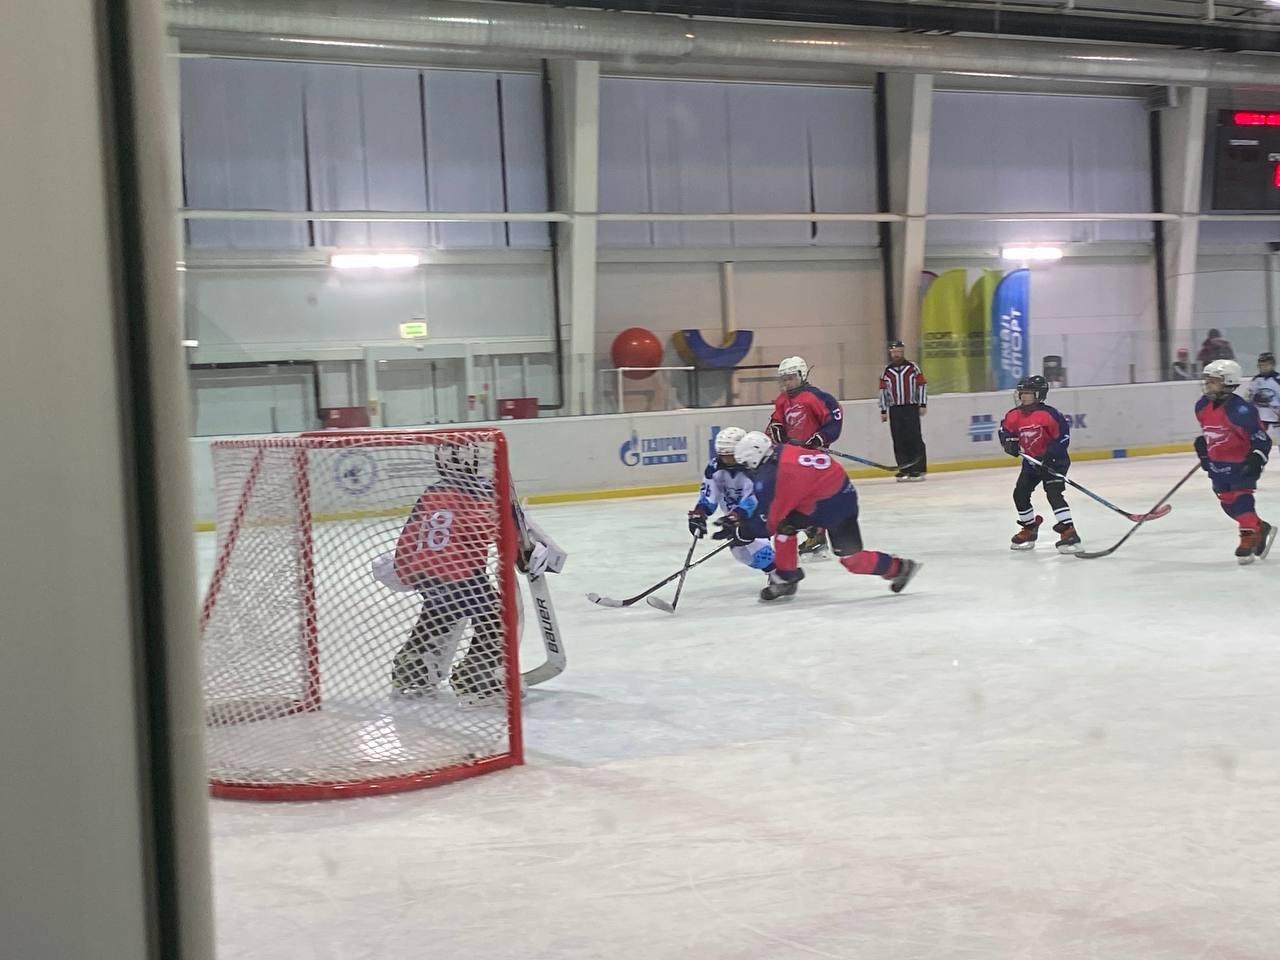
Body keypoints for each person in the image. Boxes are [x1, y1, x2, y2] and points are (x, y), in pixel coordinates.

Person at [372, 440, 566, 703]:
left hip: (425, 571)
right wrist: (524, 549)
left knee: (439, 615)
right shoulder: (483, 490)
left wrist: (404, 571)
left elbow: (412, 532)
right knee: (497, 617)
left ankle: (410, 672)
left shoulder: (431, 491)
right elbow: (491, 529)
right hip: (461, 573)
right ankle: (476, 678)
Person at [713, 431, 920, 602]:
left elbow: (767, 524)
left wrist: (742, 532)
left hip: (835, 506)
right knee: (786, 526)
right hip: (828, 493)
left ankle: (899, 568)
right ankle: (785, 578)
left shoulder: (773, 477)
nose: (748, 470)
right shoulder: (781, 450)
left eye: (748, 465)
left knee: (852, 560)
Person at [1194, 359, 1275, 564]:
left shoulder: (1241, 410)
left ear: (1228, 382)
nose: (1208, 384)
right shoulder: (1202, 406)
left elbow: (1261, 438)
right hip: (1218, 465)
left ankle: (1247, 536)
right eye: (1207, 380)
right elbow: (1210, 433)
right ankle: (1259, 527)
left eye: (1214, 380)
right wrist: (1204, 451)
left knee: (1241, 500)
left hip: (1241, 463)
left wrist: (1257, 458)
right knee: (1228, 504)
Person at [766, 355, 844, 557]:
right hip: (792, 457)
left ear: (802, 375)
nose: (787, 382)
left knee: (808, 497)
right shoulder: (783, 400)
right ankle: (813, 535)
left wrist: (821, 437)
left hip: (812, 457)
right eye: (784, 379)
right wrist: (776, 430)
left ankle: (817, 537)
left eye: (791, 377)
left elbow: (834, 417)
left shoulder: (815, 397)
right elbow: (776, 421)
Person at [997, 374, 1082, 554]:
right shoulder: (1014, 415)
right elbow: (1005, 431)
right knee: (1020, 494)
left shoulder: (1049, 415)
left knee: (1053, 493)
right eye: (1021, 393)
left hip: (1055, 462)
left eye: (1027, 393)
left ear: (1039, 395)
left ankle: (1068, 530)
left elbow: (1062, 437)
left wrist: (1050, 455)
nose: (1023, 397)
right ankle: (1029, 528)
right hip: (1031, 462)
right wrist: (1008, 442)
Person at [686, 426, 777, 585]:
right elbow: (709, 492)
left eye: (730, 456)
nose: (726, 460)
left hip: (756, 516)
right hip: (733, 517)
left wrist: (737, 515)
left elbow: (755, 498)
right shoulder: (715, 467)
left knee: (760, 549)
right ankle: (775, 570)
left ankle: (780, 575)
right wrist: (700, 512)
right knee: (740, 552)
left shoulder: (754, 469)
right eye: (723, 456)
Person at [877, 339, 928, 480]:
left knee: (914, 437)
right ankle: (904, 468)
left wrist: (922, 404)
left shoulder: (913, 367)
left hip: (910, 407)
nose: (896, 354)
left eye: (898, 351)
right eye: (894, 352)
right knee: (898, 439)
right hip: (895, 409)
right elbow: (883, 391)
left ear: (903, 351)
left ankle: (918, 469)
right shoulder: (886, 371)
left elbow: (922, 385)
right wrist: (883, 410)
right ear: (890, 353)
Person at [1241, 351, 1280, 439]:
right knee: (1258, 439)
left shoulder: (1278, 379)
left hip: (1277, 416)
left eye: (1266, 365)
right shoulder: (1256, 380)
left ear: (1272, 365)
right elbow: (1249, 396)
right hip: (1261, 416)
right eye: (1261, 365)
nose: (1263, 368)